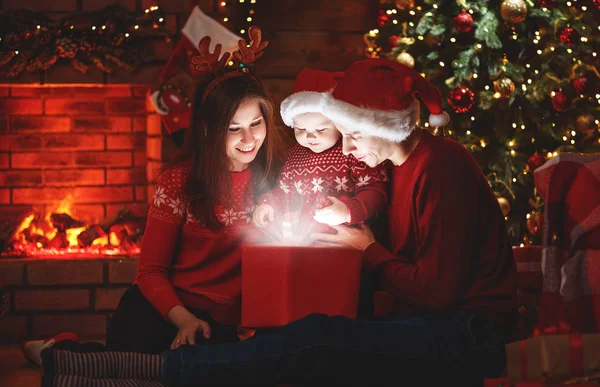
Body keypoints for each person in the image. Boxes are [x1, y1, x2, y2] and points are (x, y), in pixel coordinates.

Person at [39, 58, 516, 387]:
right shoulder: (398, 165)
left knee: (313, 339)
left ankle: (125, 370)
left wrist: (362, 248)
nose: (343, 150)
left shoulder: (438, 167)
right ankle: (90, 362)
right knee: (304, 340)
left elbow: (436, 291)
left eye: (349, 134)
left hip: (466, 329)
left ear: (384, 124)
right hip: (428, 317)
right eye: (341, 135)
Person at [23, 27, 286, 364]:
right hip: (168, 310)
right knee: (124, 369)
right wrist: (184, 319)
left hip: (231, 322)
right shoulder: (178, 182)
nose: (249, 139)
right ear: (208, 128)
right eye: (233, 128)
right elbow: (149, 272)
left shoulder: (276, 176)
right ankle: (56, 350)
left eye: (257, 123)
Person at [252, 68, 390, 245]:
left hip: (351, 239)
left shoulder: (353, 151)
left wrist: (349, 210)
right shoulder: (296, 155)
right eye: (300, 129)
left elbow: (375, 189)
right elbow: (284, 192)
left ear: (339, 125)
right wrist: (268, 205)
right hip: (309, 238)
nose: (310, 137)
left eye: (321, 129)